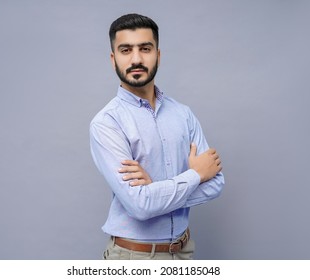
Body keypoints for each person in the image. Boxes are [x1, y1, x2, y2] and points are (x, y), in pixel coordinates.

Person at [89, 13, 225, 260]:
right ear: (113, 59)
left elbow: (216, 184)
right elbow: (140, 206)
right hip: (133, 258)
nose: (137, 58)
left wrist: (155, 192)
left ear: (158, 55)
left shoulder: (183, 114)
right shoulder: (107, 123)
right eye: (126, 50)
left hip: (184, 253)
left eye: (145, 48)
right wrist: (195, 175)